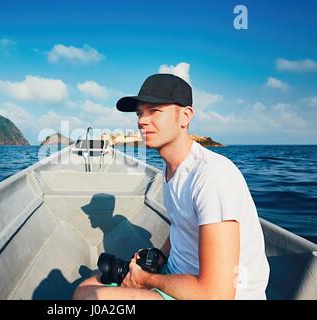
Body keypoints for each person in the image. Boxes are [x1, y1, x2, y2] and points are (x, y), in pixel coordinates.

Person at [72, 73, 270, 300]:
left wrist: (145, 280)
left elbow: (217, 294)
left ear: (185, 116)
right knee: (84, 289)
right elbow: (182, 225)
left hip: (210, 293)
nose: (141, 121)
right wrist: (160, 255)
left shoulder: (212, 175)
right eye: (139, 113)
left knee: (93, 300)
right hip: (175, 274)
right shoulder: (170, 170)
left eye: (154, 110)